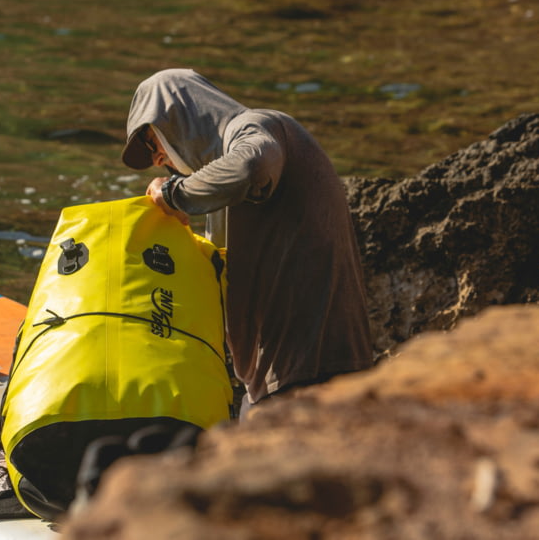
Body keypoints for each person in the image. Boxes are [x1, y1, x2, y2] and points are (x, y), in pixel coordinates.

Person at [121, 68, 374, 419]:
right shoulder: (227, 178)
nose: (158, 159)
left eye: (153, 143)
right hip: (287, 372)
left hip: (306, 370)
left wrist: (173, 194)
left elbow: (253, 165)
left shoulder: (257, 127)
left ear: (184, 117)